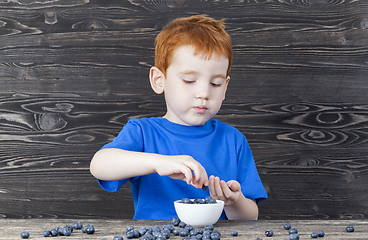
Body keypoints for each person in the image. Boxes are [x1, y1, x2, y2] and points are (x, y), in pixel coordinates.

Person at [90, 15, 267, 220]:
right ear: (159, 80)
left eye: (215, 83)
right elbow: (99, 165)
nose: (203, 93)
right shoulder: (143, 132)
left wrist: (233, 202)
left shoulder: (233, 140)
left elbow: (250, 218)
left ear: (225, 87)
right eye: (189, 80)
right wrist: (157, 163)